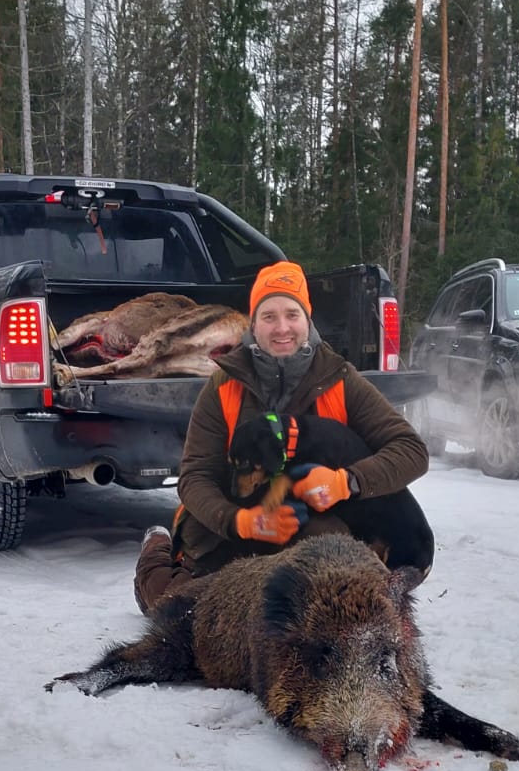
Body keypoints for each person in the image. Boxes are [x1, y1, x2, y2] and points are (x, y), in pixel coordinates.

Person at [134, 261, 433, 614]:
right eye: (269, 316)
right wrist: (240, 521)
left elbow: (412, 451)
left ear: (307, 318)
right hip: (233, 528)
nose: (282, 328)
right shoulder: (222, 387)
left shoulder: (341, 380)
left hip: (312, 530)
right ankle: (156, 547)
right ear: (253, 323)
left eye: (292, 314)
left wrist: (346, 482)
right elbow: (195, 477)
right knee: (176, 614)